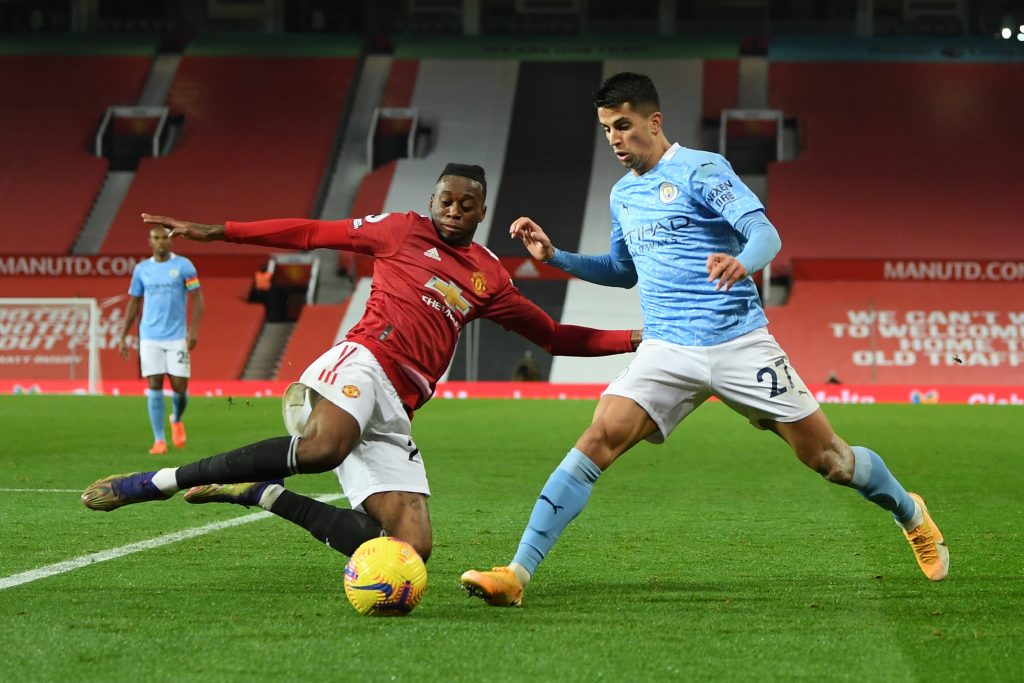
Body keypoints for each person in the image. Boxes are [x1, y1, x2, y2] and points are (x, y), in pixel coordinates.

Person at [460, 73, 948, 607]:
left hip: (740, 342)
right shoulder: (623, 195)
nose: (616, 139)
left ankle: (910, 512)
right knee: (598, 437)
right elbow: (624, 271)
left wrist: (743, 262)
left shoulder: (702, 169)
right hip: (667, 348)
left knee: (830, 460)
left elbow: (766, 234)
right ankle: (516, 574)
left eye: (623, 125)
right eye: (606, 130)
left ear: (654, 121)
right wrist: (557, 258)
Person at [82, 163, 641, 567]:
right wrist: (220, 231)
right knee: (324, 449)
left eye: (466, 204)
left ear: (482, 211)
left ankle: (259, 492)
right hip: (364, 359)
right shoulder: (399, 230)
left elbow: (554, 337)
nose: (453, 210)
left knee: (409, 548)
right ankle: (157, 481)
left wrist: (637, 337)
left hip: (401, 404)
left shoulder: (489, 277)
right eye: (445, 199)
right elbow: (310, 233)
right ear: (431, 201)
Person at [118, 226, 204, 454]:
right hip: (149, 336)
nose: (160, 242)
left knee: (179, 386)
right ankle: (159, 440)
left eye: (164, 238)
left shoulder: (184, 266)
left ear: (171, 241)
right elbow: (134, 302)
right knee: (154, 383)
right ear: (150, 241)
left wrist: (193, 330)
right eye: (156, 238)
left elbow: (198, 299)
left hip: (177, 336)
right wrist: (124, 335)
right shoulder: (142, 269)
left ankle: (176, 418)